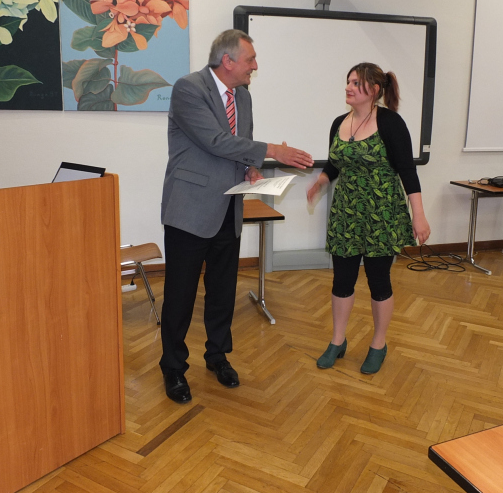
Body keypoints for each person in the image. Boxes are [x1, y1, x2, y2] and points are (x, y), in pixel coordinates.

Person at [160, 29, 313, 404]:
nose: (255, 66)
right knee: (180, 295)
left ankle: (217, 356)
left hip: (229, 207)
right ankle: (173, 367)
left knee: (223, 291)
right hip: (190, 209)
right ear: (227, 61)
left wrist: (250, 169)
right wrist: (273, 150)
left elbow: (238, 148)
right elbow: (214, 141)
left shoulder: (242, 96)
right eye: (250, 59)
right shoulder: (188, 88)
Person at [307, 62, 430, 375]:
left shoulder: (391, 123)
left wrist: (419, 216)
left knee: (379, 281)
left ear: (374, 90)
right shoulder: (339, 123)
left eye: (355, 83)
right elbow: (334, 164)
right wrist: (321, 181)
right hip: (346, 214)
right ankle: (337, 341)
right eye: (348, 81)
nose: (348, 87)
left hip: (381, 214)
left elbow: (408, 171)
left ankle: (378, 343)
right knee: (342, 280)